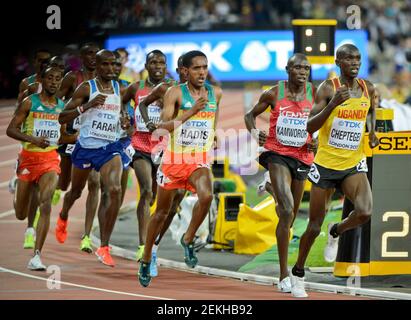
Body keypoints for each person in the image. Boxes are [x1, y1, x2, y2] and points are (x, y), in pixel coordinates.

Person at [290, 44, 379, 298]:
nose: (355, 62)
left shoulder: (366, 87)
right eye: (349, 58)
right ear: (338, 61)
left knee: (365, 211)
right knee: (314, 224)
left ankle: (336, 231)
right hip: (326, 164)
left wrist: (371, 131)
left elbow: (370, 111)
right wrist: (332, 106)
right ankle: (298, 273)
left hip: (353, 162)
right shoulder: (328, 88)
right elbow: (308, 126)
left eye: (358, 58)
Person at [138, 50, 222, 287]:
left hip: (198, 159)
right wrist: (191, 112)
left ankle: (188, 238)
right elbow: (163, 127)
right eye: (197, 68)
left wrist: (212, 134)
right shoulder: (175, 92)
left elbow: (214, 119)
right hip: (174, 160)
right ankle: (146, 258)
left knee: (207, 196)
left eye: (205, 67)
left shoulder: (215, 93)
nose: (202, 72)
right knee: (162, 213)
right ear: (185, 71)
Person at [244, 53, 316, 294]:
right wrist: (256, 134)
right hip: (277, 154)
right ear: (288, 69)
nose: (303, 72)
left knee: (290, 217)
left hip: (303, 157)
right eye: (298, 68)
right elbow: (249, 115)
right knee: (286, 211)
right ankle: (284, 274)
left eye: (306, 68)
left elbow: (324, 122)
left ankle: (274, 190)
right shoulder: (274, 93)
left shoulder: (315, 94)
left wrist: (316, 140)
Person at [58, 49, 129, 267]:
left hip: (110, 148)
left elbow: (123, 113)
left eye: (114, 64)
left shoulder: (121, 88)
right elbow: (62, 116)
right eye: (105, 65)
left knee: (115, 190)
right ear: (96, 67)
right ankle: (63, 214)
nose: (111, 69)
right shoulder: (86, 87)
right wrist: (87, 105)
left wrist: (126, 121)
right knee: (76, 191)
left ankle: (104, 246)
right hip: (86, 147)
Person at [6, 67, 65, 270]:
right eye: (50, 78)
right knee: (21, 214)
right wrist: (33, 139)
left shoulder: (62, 106)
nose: (54, 82)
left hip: (50, 160)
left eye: (58, 79)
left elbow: (64, 136)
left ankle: (37, 256)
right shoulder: (30, 102)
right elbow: (10, 129)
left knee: (46, 202)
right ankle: (16, 186)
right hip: (28, 159)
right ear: (42, 80)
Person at [137, 55, 188, 277]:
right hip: (163, 148)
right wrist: (149, 122)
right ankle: (148, 250)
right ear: (179, 71)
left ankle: (155, 245)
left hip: (186, 152)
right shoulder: (166, 88)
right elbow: (142, 103)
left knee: (177, 200)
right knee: (159, 202)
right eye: (186, 70)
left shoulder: (204, 93)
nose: (191, 74)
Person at [55, 43, 101, 253]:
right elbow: (58, 105)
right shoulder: (73, 78)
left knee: (94, 183)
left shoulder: (107, 83)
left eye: (95, 54)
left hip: (97, 139)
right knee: (70, 188)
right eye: (89, 54)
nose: (92, 58)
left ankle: (86, 236)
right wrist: (64, 132)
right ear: (82, 58)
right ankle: (64, 213)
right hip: (73, 138)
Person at [122, 50, 167, 261]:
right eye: (154, 62)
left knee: (155, 197)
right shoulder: (136, 88)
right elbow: (122, 102)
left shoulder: (172, 88)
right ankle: (143, 244)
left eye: (161, 62)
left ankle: (149, 235)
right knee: (146, 191)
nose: (158, 66)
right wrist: (126, 119)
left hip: (163, 147)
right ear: (146, 66)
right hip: (139, 144)